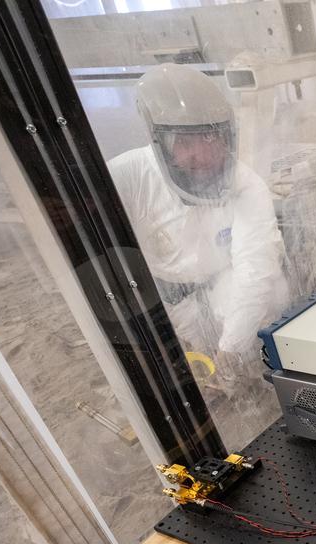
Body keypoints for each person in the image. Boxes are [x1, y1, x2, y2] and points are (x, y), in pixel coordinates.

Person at [108, 63, 288, 361]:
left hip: (220, 283)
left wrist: (230, 348)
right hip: (164, 294)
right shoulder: (127, 177)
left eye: (209, 138)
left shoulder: (246, 185)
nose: (203, 156)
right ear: (160, 143)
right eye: (184, 142)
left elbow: (255, 268)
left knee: (274, 293)